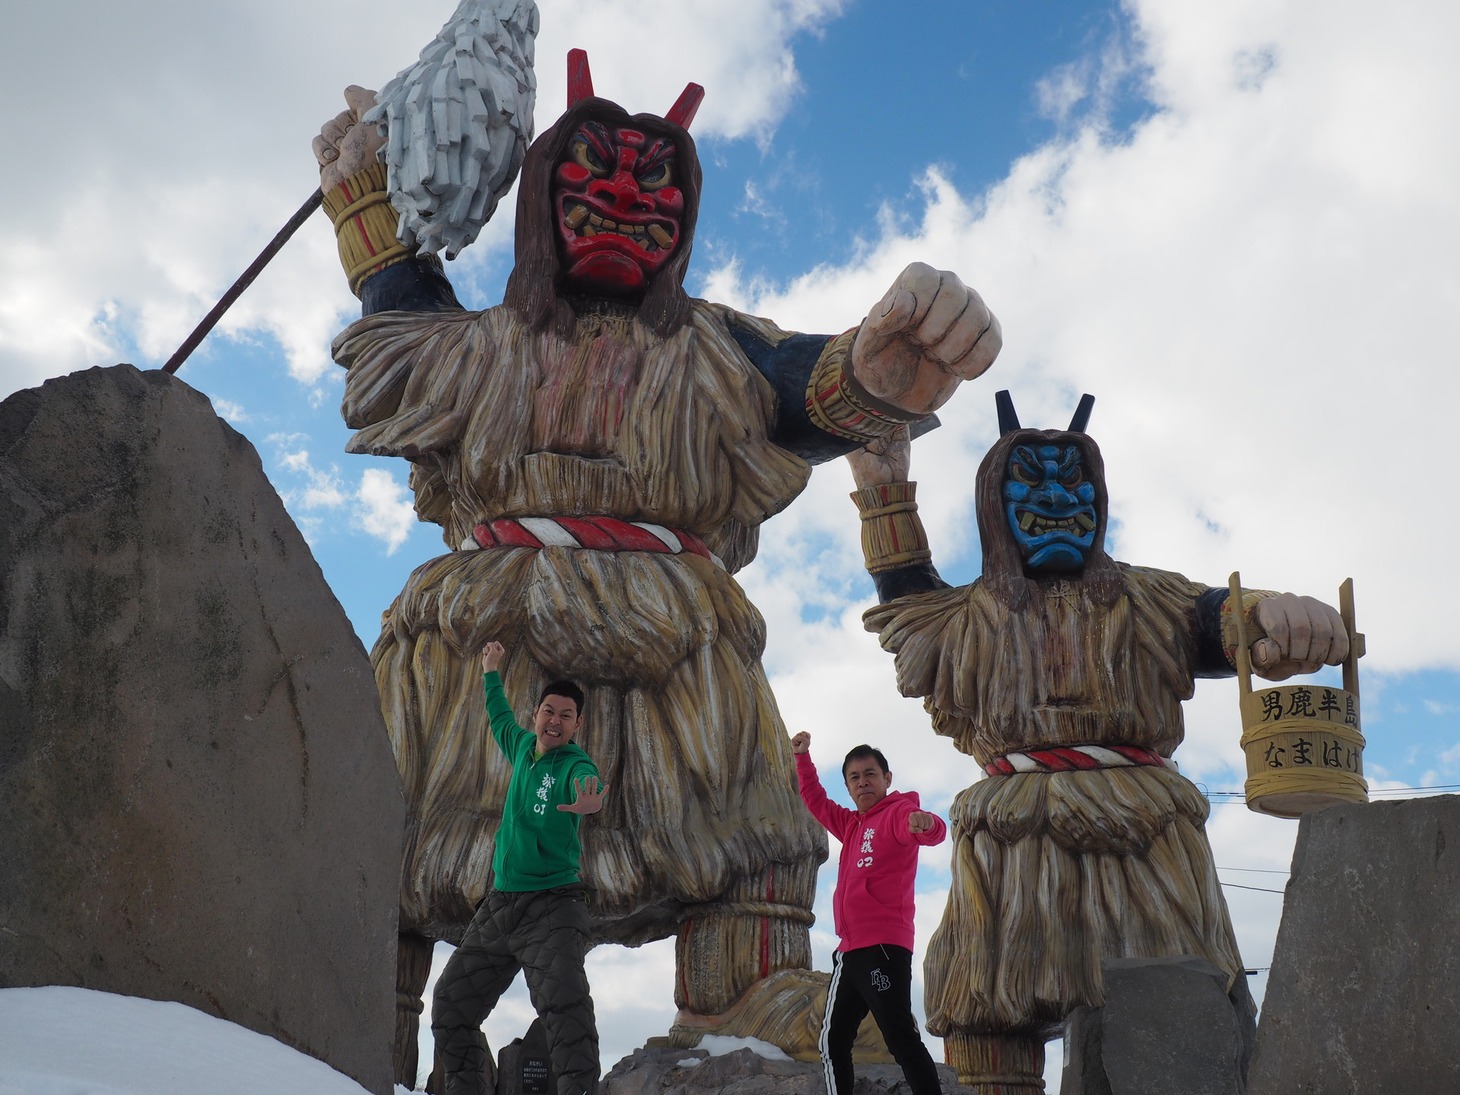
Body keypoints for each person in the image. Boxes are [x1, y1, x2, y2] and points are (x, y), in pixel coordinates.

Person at [313, 50, 1002, 1073]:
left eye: (654, 196)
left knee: (745, 825)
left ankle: (748, 990)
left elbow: (813, 388)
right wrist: (362, 196)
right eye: (593, 185)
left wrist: (890, 356)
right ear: (541, 203)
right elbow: (398, 322)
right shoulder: (481, 344)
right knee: (404, 829)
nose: (628, 206)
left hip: (672, 626)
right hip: (487, 619)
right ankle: (346, 1005)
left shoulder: (718, 349)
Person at [845, 394, 1349, 1087]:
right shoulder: (961, 617)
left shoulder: (1148, 600)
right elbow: (904, 602)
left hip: (1143, 836)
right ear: (993, 502)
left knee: (1179, 1014)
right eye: (1032, 479)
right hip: (1010, 844)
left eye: (1074, 479)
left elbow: (1221, 614)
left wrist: (1273, 615)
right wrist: (882, 488)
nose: (1056, 494)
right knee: (990, 1022)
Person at [431, 641, 608, 1095]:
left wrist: (590, 797)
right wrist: (491, 669)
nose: (554, 720)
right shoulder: (523, 745)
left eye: (565, 715)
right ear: (538, 714)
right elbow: (499, 717)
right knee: (451, 1005)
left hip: (552, 906)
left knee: (566, 1016)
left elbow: (586, 781)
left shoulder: (573, 763)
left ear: (577, 724)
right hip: (501, 904)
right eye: (549, 711)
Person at [790, 730, 947, 1095]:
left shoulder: (898, 814)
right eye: (855, 777)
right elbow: (815, 799)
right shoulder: (851, 825)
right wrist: (802, 758)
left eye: (870, 774)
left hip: (883, 950)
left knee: (900, 1041)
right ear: (847, 785)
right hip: (849, 953)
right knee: (832, 1043)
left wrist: (926, 825)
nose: (863, 782)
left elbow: (929, 828)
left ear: (886, 779)